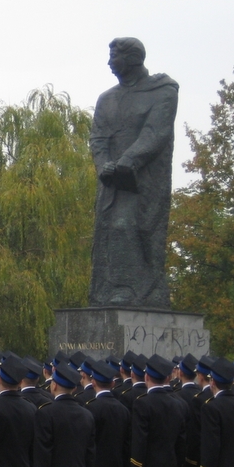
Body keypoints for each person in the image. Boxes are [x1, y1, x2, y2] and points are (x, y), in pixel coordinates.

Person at [89, 37, 179, 308]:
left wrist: (129, 160)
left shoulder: (163, 91)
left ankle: (134, 290)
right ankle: (108, 291)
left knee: (129, 227)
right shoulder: (106, 99)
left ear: (132, 58)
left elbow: (156, 132)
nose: (108, 62)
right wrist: (103, 164)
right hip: (111, 181)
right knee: (107, 230)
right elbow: (98, 138)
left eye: (114, 56)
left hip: (144, 179)